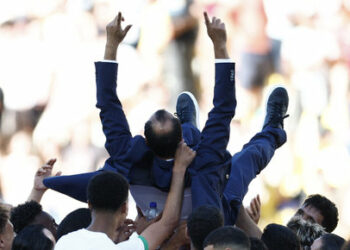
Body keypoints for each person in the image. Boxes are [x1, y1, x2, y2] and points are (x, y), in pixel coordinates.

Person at [44, 11, 236, 216]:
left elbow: (108, 105)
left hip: (156, 230)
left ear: (145, 141)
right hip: (204, 228)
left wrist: (111, 44)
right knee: (248, 157)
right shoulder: (204, 158)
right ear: (180, 140)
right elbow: (223, 109)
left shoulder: (129, 159)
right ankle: (195, 127)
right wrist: (220, 45)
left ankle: (189, 125)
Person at [55, 137, 196, 249]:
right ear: (124, 208)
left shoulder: (63, 242)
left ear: (90, 204)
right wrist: (179, 169)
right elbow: (168, 223)